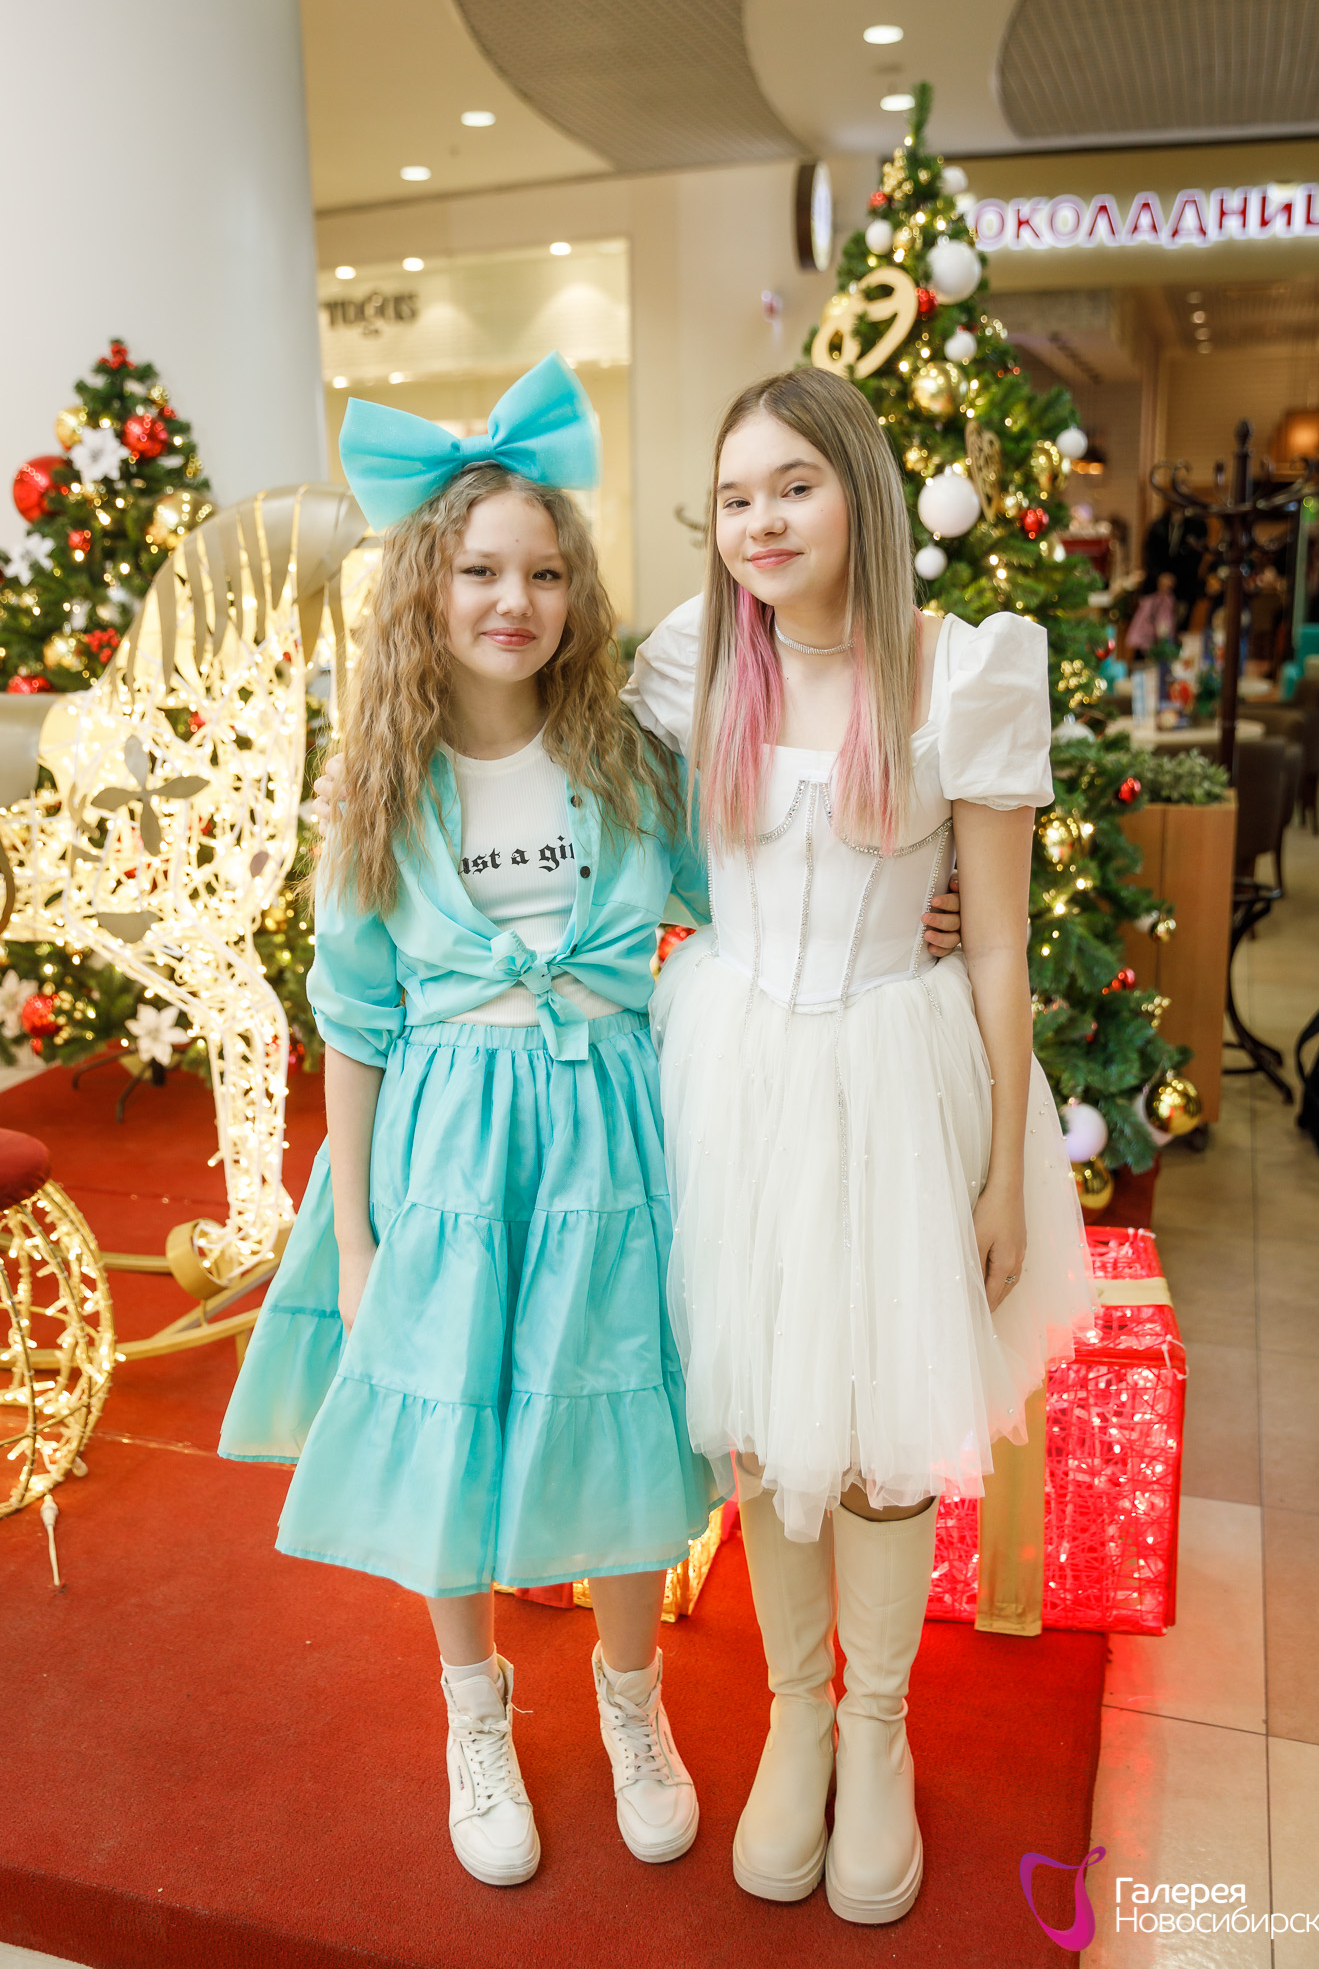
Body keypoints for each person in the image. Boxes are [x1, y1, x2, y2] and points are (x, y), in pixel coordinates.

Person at [221, 355, 718, 1890]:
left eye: (545, 573)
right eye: (484, 571)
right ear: (428, 589)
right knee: (448, 1425)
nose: (516, 600)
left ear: (576, 594)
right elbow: (356, 1023)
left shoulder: (629, 761)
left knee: (612, 1408)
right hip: (442, 1157)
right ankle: (474, 1711)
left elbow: (737, 902)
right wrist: (357, 1233)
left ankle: (631, 1703)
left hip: (607, 1148)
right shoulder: (378, 788)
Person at [623, 368, 1097, 1927]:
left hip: (899, 1072)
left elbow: (998, 948)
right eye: (735, 495)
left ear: (861, 493)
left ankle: (879, 1726)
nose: (759, 522)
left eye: (794, 486)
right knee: (763, 1415)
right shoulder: (695, 658)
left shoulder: (963, 670)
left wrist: (1003, 1174)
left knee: (886, 1424)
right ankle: (797, 1717)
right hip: (735, 1074)